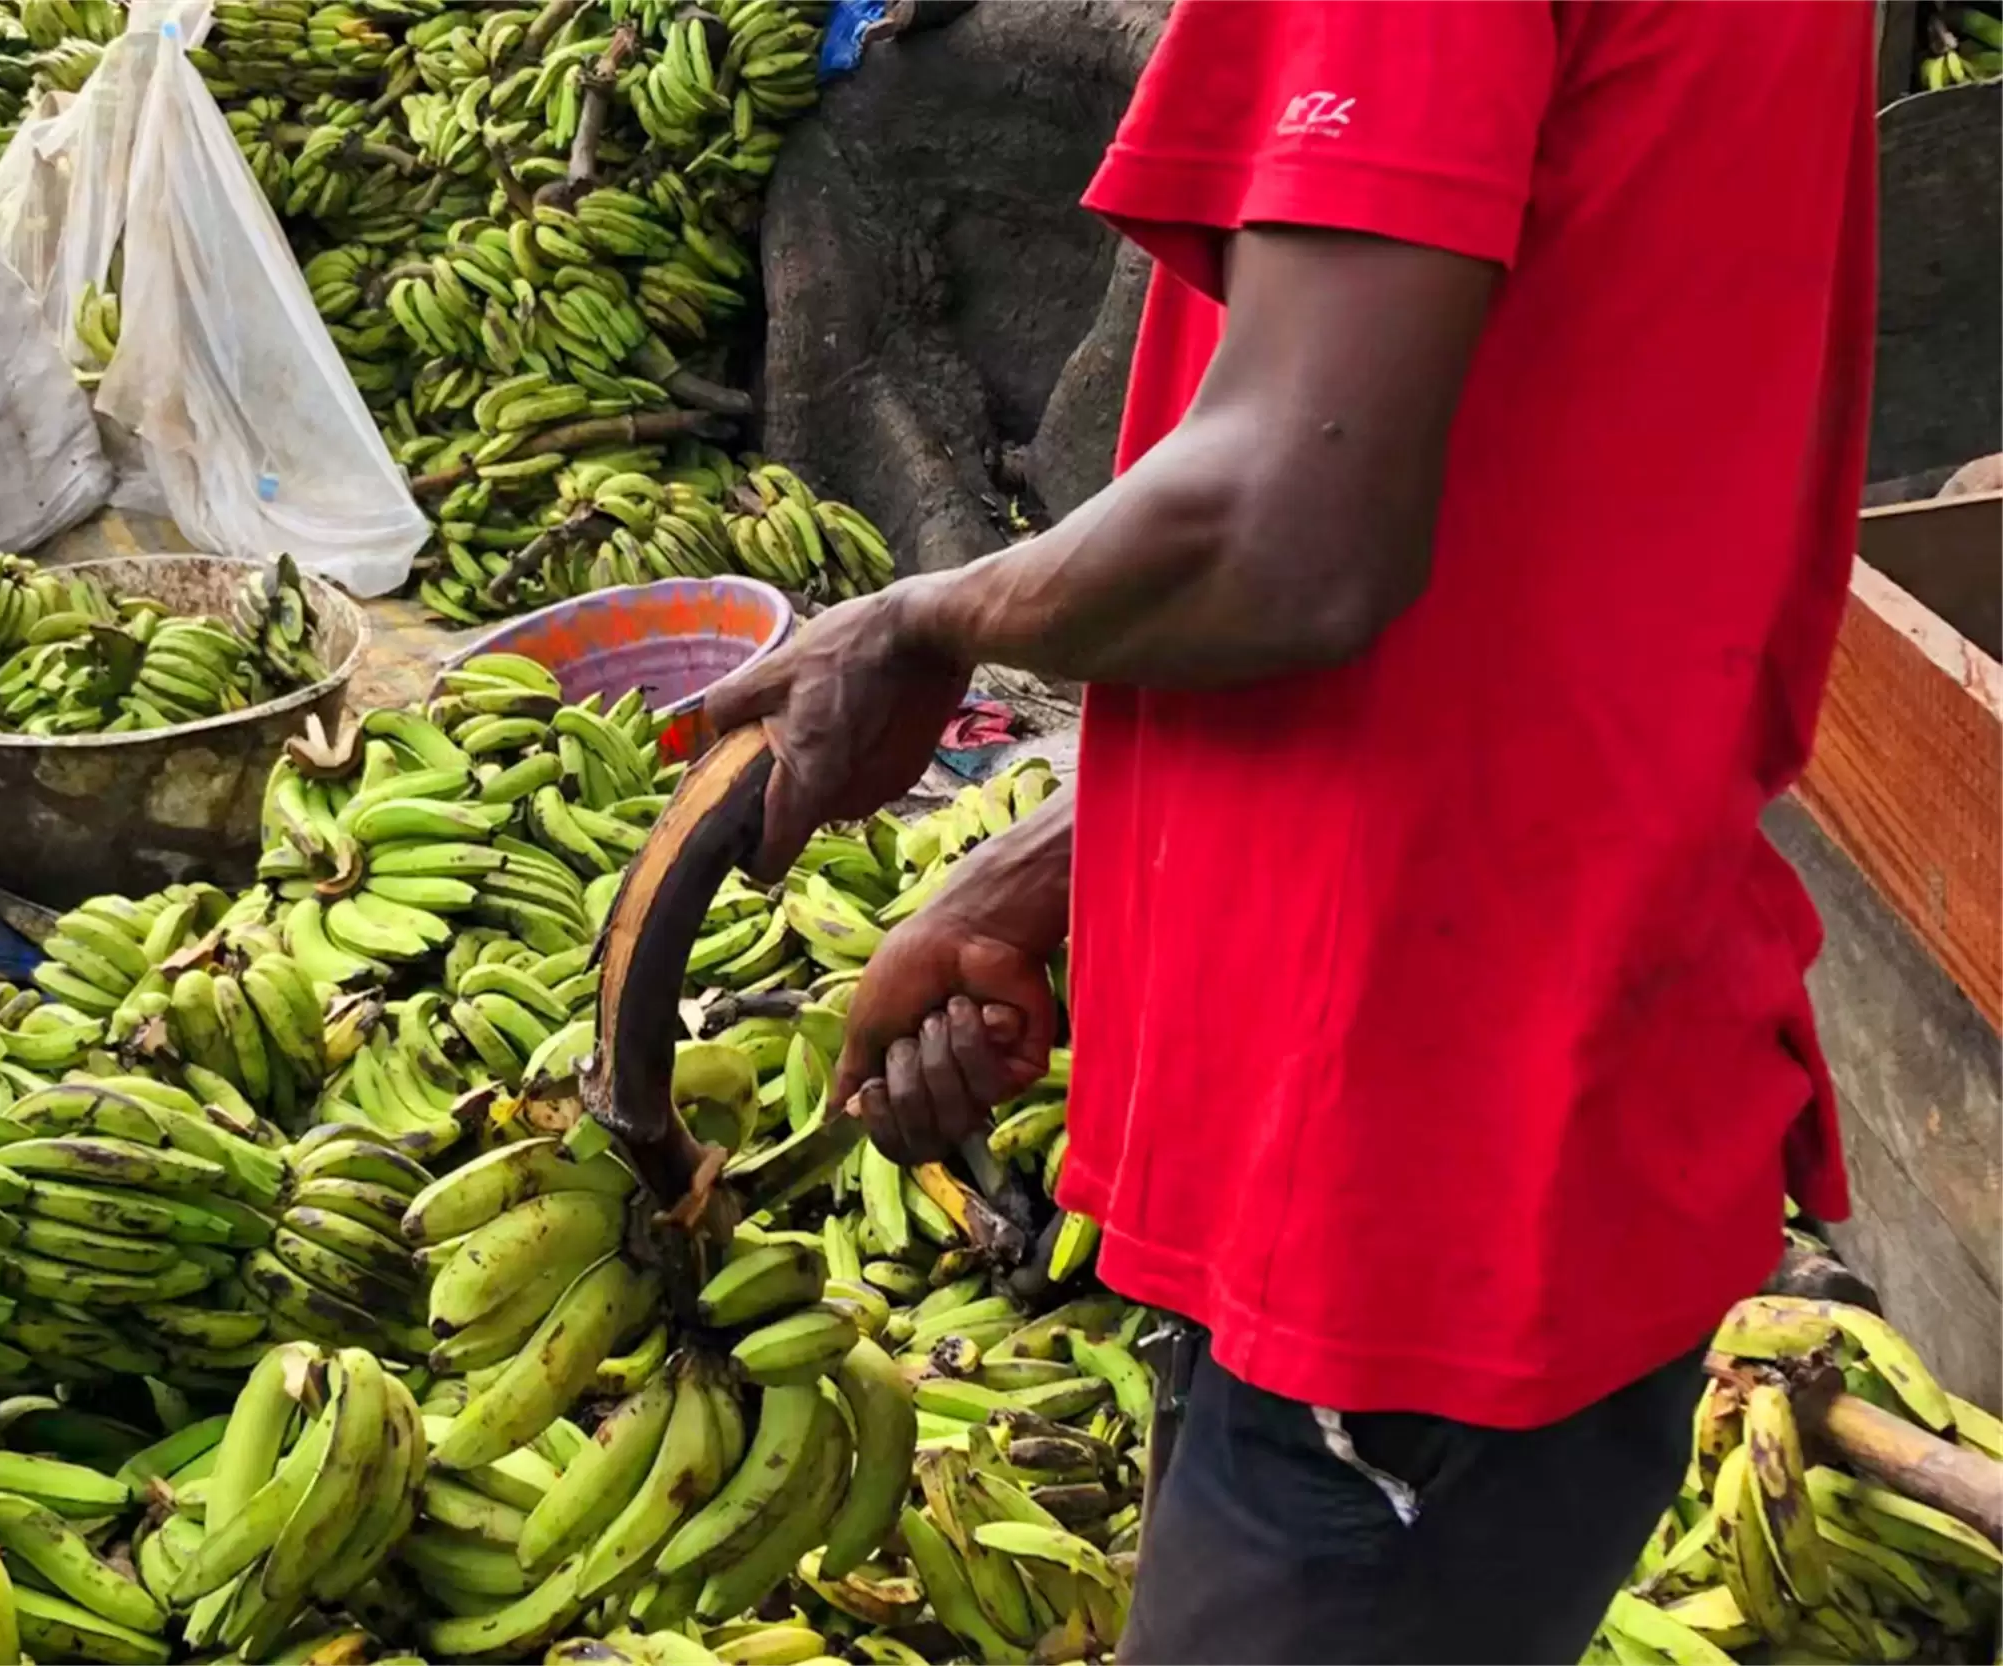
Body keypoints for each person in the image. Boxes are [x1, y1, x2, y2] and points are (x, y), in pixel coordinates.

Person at [702, 2, 1878, 1659]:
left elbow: (1292, 524)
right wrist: (1042, 874)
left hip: (1407, 1178)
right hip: (1522, 1086)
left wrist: (924, 621)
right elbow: (1530, 474)